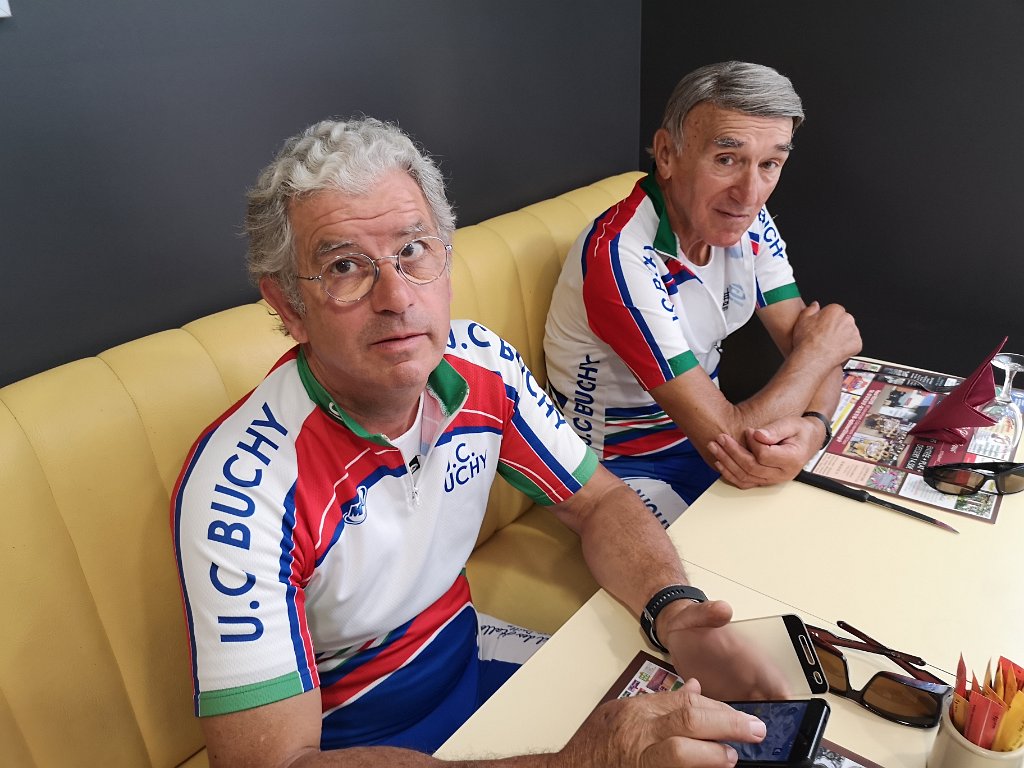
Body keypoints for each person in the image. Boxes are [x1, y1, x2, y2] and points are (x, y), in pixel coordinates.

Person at [172, 117, 787, 767]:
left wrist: (675, 611)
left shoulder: (481, 363)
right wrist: (576, 763)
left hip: (469, 658)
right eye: (344, 266)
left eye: (414, 250)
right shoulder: (240, 489)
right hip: (352, 739)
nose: (397, 297)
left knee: (734, 738)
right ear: (288, 306)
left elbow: (599, 502)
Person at [544, 61, 862, 527]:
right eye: (726, 159)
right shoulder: (620, 258)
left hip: (703, 444)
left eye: (769, 164)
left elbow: (813, 348)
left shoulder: (746, 221)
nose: (749, 194)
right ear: (667, 155)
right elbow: (738, 427)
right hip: (615, 471)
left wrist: (815, 427)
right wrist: (817, 353)